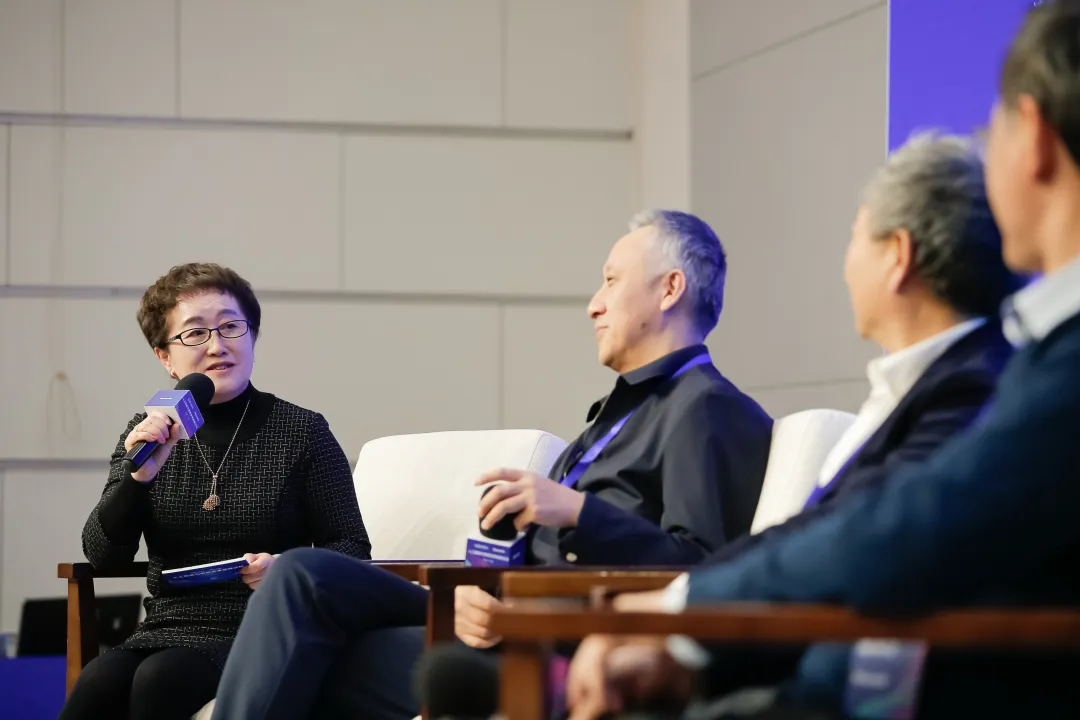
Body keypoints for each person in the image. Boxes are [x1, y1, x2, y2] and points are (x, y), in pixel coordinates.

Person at [561, 1, 1080, 717]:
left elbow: (905, 531)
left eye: (854, 236)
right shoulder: (1025, 356)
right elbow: (832, 534)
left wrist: (680, 619)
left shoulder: (1002, 376)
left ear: (1036, 138)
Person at [421, 132, 1027, 719]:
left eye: (853, 238)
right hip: (614, 638)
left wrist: (661, 616)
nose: (593, 304)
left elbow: (821, 548)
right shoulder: (911, 391)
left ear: (897, 256)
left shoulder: (970, 393)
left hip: (844, 682)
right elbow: (803, 539)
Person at [209, 210, 774, 720]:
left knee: (313, 651)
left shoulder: (707, 409)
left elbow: (705, 571)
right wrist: (490, 580)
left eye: (611, 281)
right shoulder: (621, 412)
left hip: (555, 643)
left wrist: (579, 513)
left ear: (670, 288)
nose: (594, 304)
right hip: (502, 611)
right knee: (304, 574)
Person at [58, 263, 371, 720]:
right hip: (167, 623)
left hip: (267, 623)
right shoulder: (150, 432)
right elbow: (103, 556)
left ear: (252, 337)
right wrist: (139, 476)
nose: (217, 345)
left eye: (230, 327)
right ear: (165, 357)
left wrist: (288, 570)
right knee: (99, 682)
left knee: (161, 679)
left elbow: (353, 546)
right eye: (195, 333)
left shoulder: (302, 432)